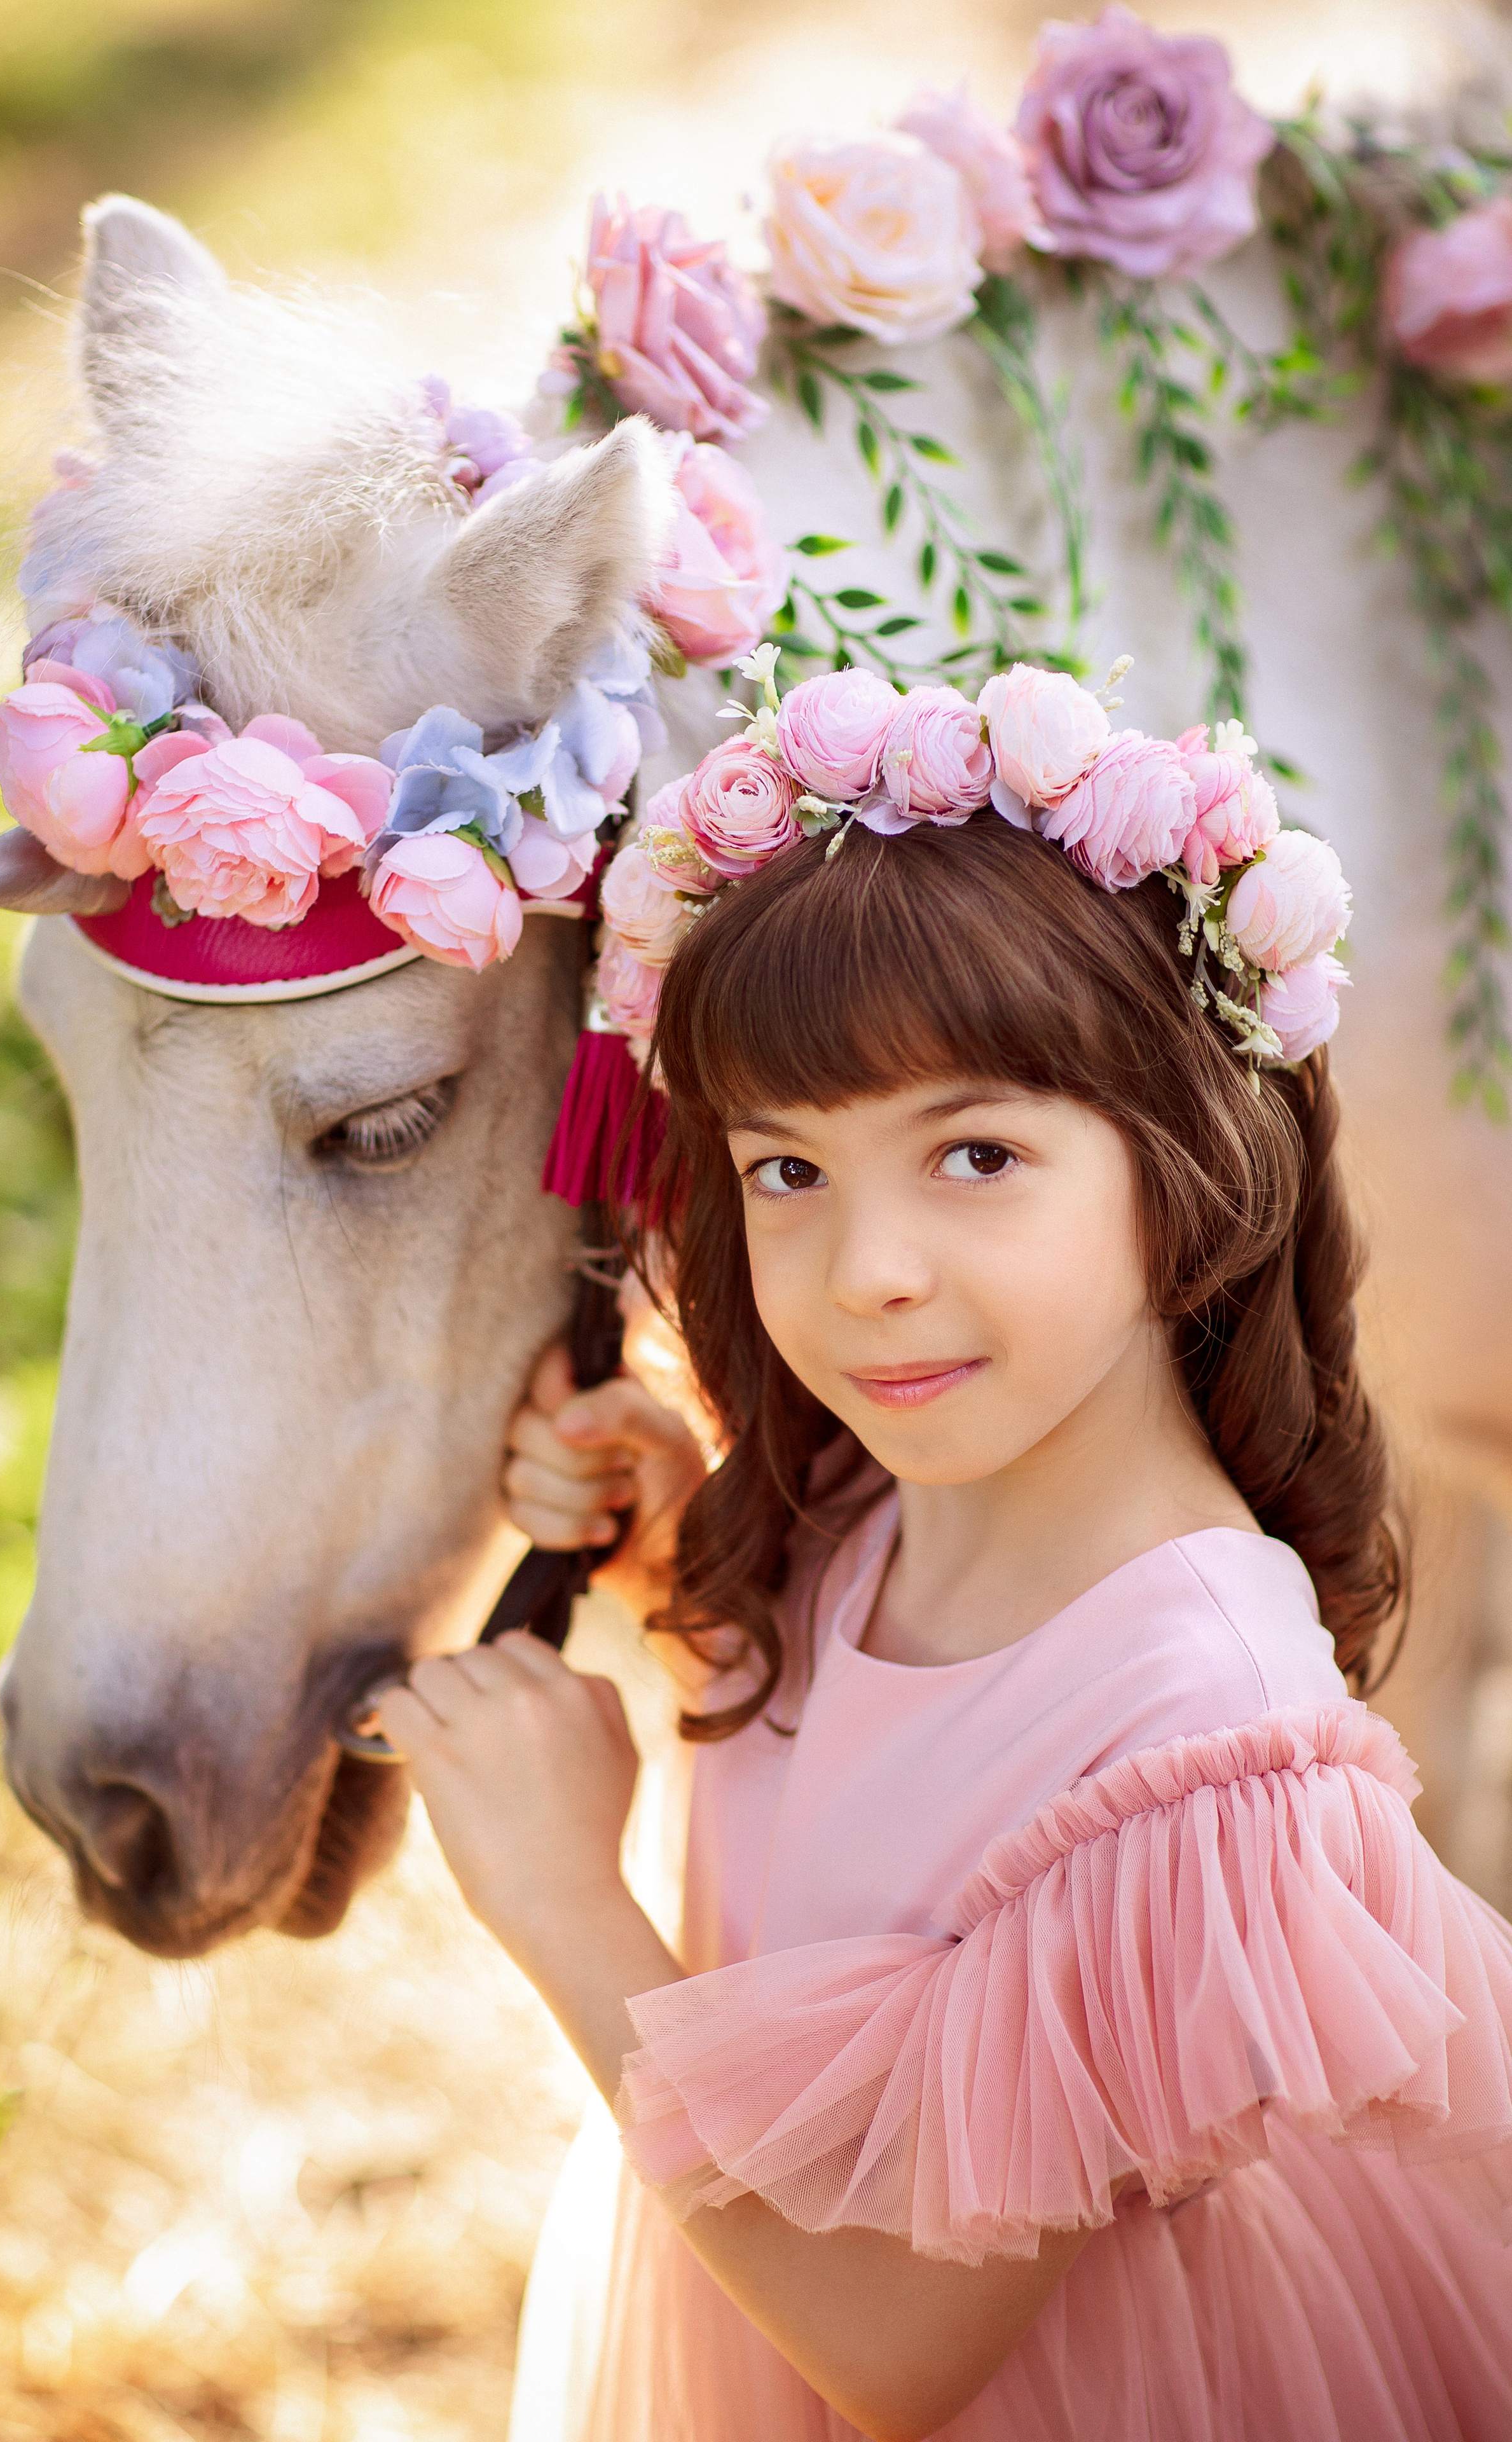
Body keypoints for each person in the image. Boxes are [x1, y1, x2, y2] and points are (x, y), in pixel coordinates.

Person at [376, 692, 1512, 2441]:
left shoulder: (1200, 1729)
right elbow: (853, 1772)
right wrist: (679, 1536)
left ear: (1190, 1165)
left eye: (977, 1155)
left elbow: (898, 2353)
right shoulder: (857, 1504)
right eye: (790, 1168)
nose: (869, 1269)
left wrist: (564, 1906)